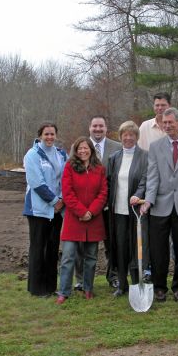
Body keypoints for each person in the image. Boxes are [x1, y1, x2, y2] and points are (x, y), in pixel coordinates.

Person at [141, 108, 178, 302]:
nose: (167, 126)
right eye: (164, 123)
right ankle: (160, 287)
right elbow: (152, 176)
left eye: (170, 122)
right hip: (160, 204)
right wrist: (149, 200)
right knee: (158, 250)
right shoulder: (156, 146)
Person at [138, 92, 178, 281]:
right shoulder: (145, 127)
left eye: (163, 105)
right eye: (157, 105)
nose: (160, 108)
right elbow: (142, 156)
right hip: (153, 187)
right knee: (156, 237)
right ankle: (153, 270)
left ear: (169, 106)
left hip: (176, 190)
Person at [56, 137, 107, 304]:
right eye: (79, 149)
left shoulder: (99, 168)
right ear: (75, 151)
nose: (83, 151)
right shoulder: (69, 167)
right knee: (68, 257)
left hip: (93, 219)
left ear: (91, 149)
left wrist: (91, 212)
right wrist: (81, 211)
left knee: (91, 257)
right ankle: (64, 291)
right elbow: (67, 192)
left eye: (86, 148)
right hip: (74, 219)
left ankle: (88, 289)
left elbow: (103, 193)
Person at [74, 115, 121, 291]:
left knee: (112, 244)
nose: (98, 129)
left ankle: (113, 276)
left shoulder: (117, 147)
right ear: (89, 128)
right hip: (85, 208)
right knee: (81, 245)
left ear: (106, 128)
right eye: (95, 126)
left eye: (101, 126)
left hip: (109, 205)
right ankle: (81, 279)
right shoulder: (80, 147)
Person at [23, 122, 67, 297]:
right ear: (40, 135)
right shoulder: (33, 154)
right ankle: (37, 288)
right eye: (46, 134)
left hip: (57, 210)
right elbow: (36, 182)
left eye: (52, 134)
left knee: (52, 248)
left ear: (56, 135)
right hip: (38, 210)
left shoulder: (61, 154)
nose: (49, 137)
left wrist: (62, 199)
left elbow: (66, 179)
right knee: (38, 248)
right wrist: (54, 200)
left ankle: (50, 286)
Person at [107, 121, 148, 297]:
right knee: (120, 248)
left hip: (136, 211)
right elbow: (109, 183)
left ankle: (136, 283)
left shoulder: (145, 156)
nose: (128, 138)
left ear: (136, 137)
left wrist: (138, 195)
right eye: (125, 135)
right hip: (118, 212)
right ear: (121, 137)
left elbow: (145, 180)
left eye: (132, 135)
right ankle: (122, 284)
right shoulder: (114, 158)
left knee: (136, 249)